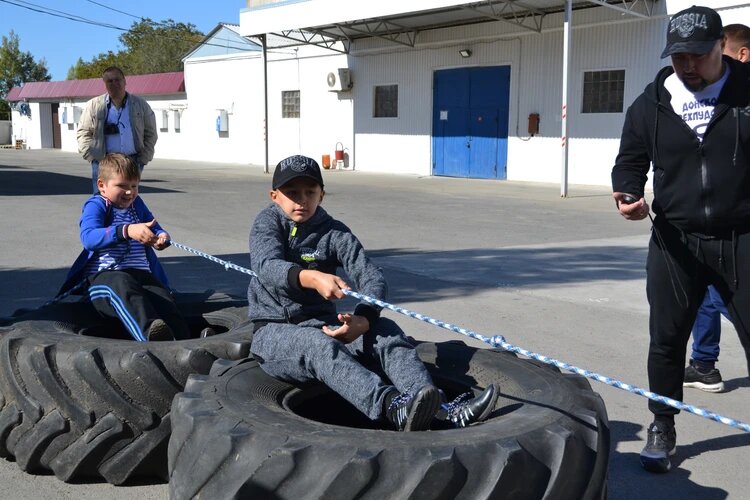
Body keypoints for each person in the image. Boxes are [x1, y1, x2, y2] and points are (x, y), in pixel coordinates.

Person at [247, 155, 497, 431]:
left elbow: (371, 277)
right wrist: (311, 277)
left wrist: (364, 319)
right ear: (274, 196)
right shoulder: (267, 223)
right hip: (273, 331)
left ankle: (435, 407)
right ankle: (391, 407)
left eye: (310, 192)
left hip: (321, 325)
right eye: (292, 192)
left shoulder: (335, 233)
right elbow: (266, 265)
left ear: (322, 195)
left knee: (385, 330)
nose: (301, 200)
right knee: (316, 345)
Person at [612, 5, 750, 474]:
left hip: (743, 238)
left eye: (696, 55)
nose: (687, 65)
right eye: (678, 57)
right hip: (675, 241)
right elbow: (630, 160)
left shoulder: (748, 92)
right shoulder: (651, 102)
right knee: (666, 341)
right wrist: (627, 194)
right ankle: (662, 424)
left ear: (720, 48)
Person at [58, 153, 188, 342]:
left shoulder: (137, 204)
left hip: (140, 273)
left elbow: (153, 225)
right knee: (122, 285)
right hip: (104, 278)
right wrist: (125, 231)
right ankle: (152, 339)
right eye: (122, 186)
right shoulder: (97, 205)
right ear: (102, 185)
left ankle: (187, 341)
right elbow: (89, 237)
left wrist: (161, 236)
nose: (130, 192)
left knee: (162, 298)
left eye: (134, 186)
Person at [684, 23, 750, 394]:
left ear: (739, 53)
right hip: (708, 226)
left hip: (738, 226)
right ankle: (704, 364)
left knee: (730, 296)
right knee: (708, 292)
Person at [77, 66, 157, 194]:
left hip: (133, 161)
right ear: (105, 84)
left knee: (129, 198)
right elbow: (83, 132)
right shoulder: (94, 105)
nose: (114, 83)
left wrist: (144, 157)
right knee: (101, 199)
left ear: (125, 81)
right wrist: (92, 156)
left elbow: (151, 133)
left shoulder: (140, 104)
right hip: (103, 162)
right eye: (110, 81)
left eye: (117, 79)